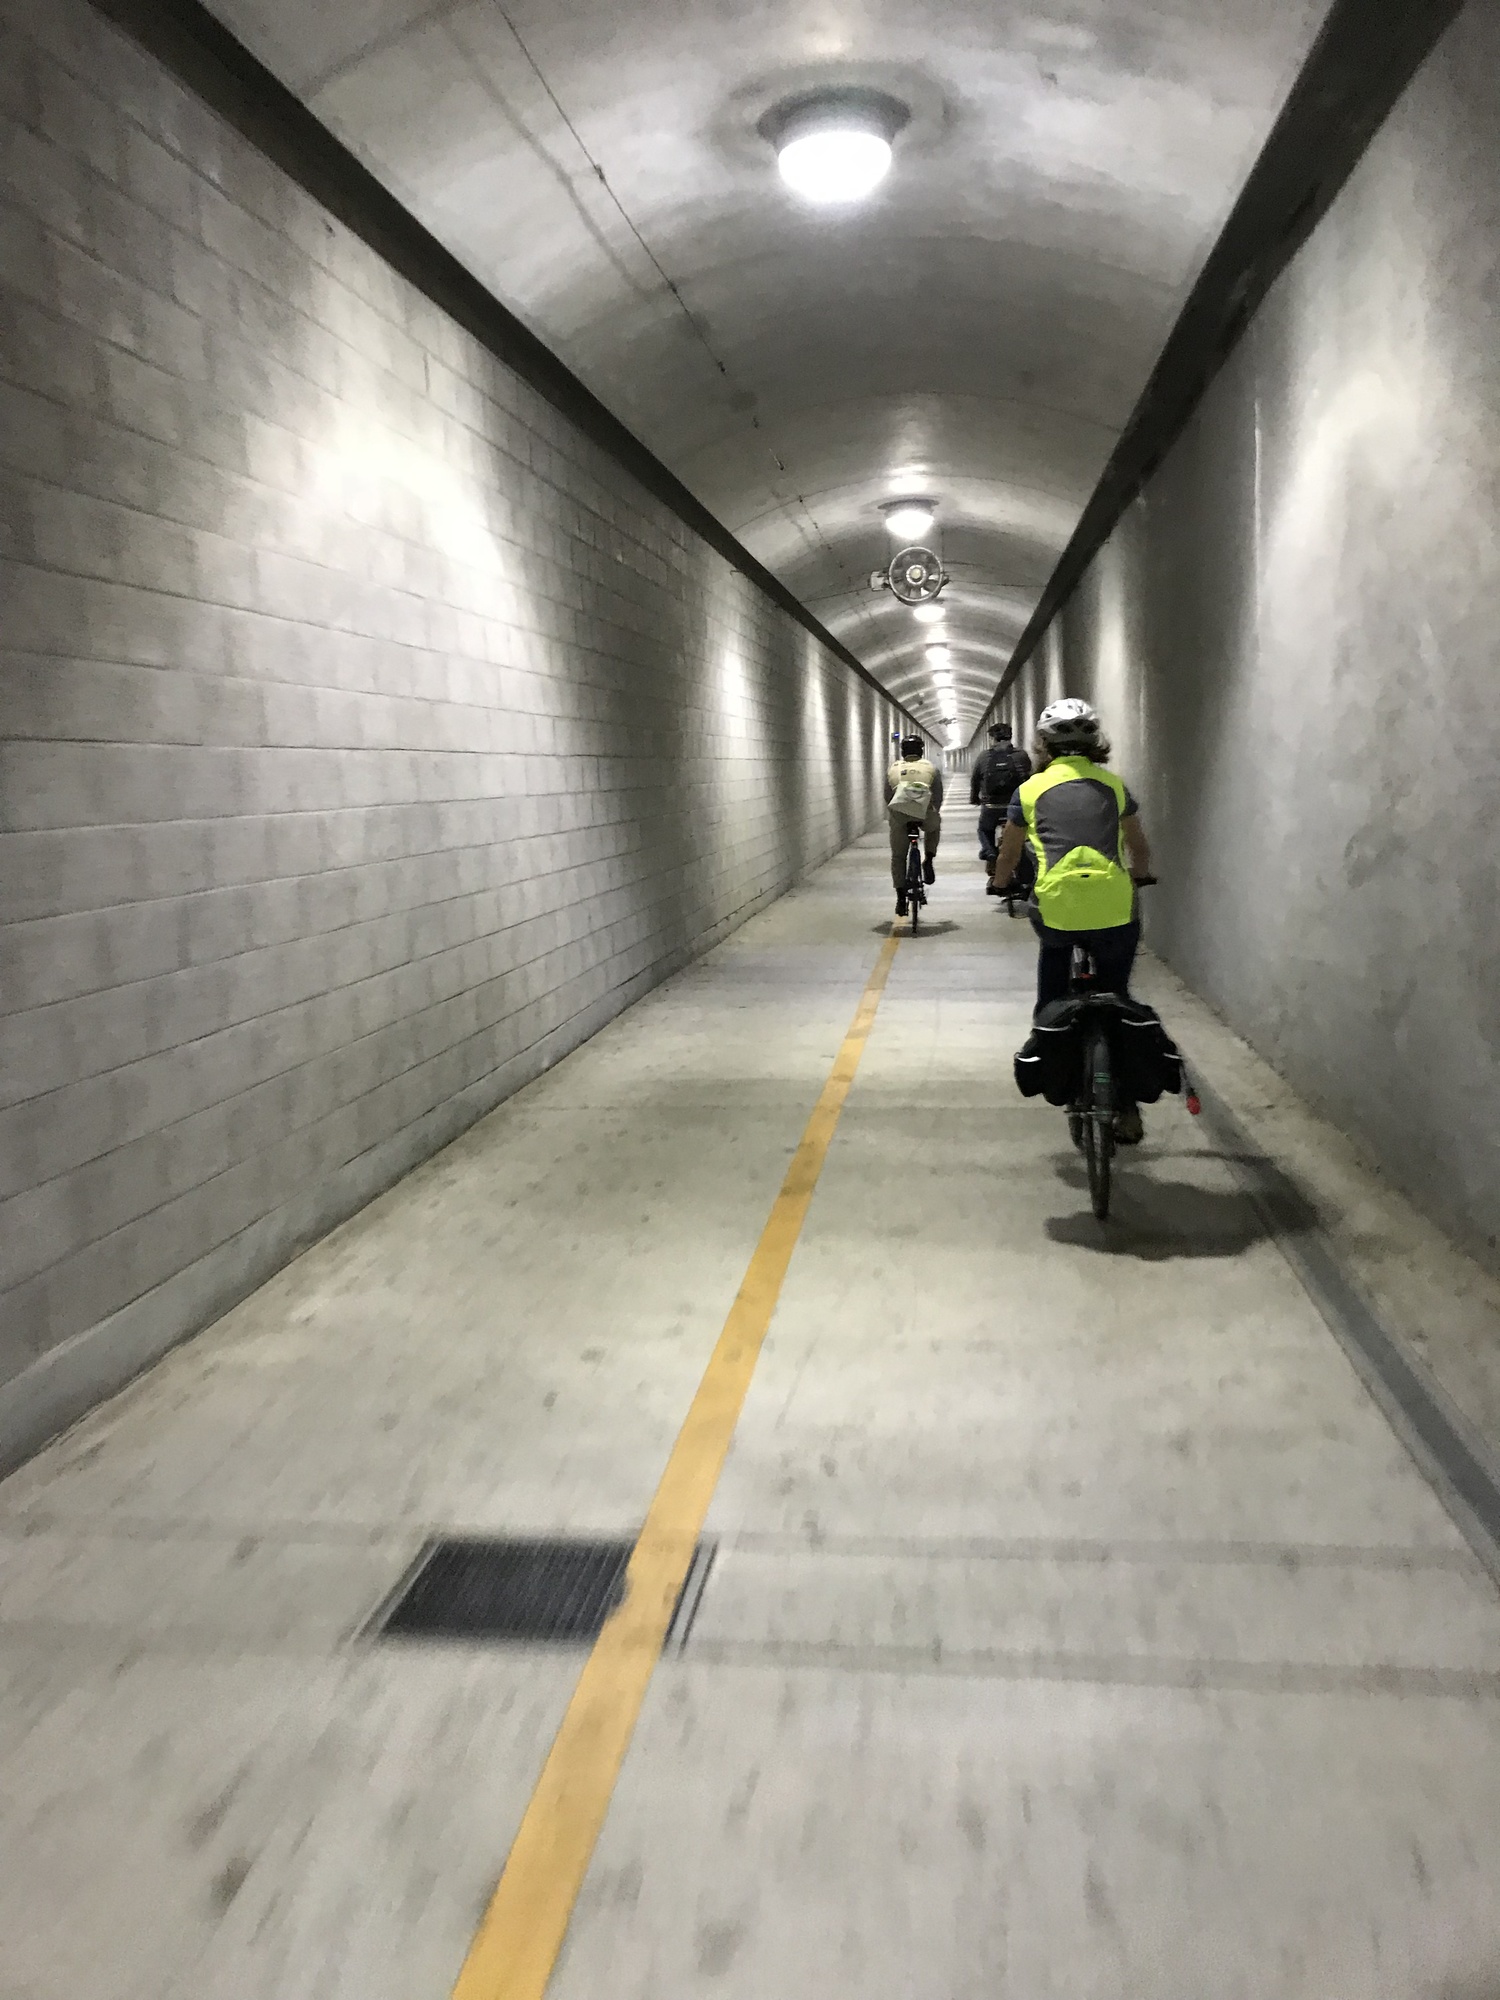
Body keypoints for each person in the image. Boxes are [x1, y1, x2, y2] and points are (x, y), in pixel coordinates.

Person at [991, 697, 1153, 1136]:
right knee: (1117, 994)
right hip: (1115, 909)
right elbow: (1138, 848)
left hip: (1056, 909)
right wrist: (1142, 874)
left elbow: (1008, 850)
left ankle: (1050, 1041)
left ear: (1044, 745)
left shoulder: (1029, 791)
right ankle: (1128, 1107)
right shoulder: (1114, 786)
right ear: (1095, 741)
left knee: (1055, 966)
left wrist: (1000, 881)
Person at [886, 730, 944, 917]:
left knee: (898, 857)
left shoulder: (893, 768)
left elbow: (888, 797)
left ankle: (901, 898)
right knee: (934, 827)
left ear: (903, 751)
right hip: (924, 812)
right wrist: (933, 810)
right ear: (921, 751)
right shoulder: (930, 768)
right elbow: (938, 796)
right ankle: (929, 858)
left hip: (900, 815)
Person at [969, 722, 1031, 878]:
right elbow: (1030, 778)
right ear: (1010, 736)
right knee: (1024, 832)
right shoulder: (1021, 755)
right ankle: (1024, 867)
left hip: (992, 805)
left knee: (985, 829)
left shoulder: (984, 756)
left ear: (993, 738)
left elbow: (975, 779)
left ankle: (989, 851)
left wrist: (975, 798)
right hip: (1016, 805)